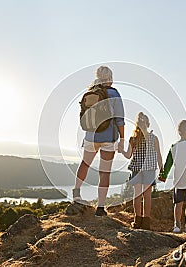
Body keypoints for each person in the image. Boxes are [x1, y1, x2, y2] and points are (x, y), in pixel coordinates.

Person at [73, 66, 125, 217]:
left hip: (91, 136)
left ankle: (76, 194)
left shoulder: (90, 92)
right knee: (105, 172)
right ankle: (100, 207)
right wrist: (122, 139)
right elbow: (120, 120)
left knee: (85, 163)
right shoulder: (114, 93)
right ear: (110, 78)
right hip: (108, 137)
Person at [121, 112, 163, 230]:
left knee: (137, 195)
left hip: (137, 169)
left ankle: (137, 220)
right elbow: (158, 155)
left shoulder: (133, 138)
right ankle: (146, 222)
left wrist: (121, 150)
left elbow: (128, 155)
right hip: (149, 169)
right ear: (148, 124)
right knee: (147, 196)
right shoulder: (154, 138)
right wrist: (161, 169)